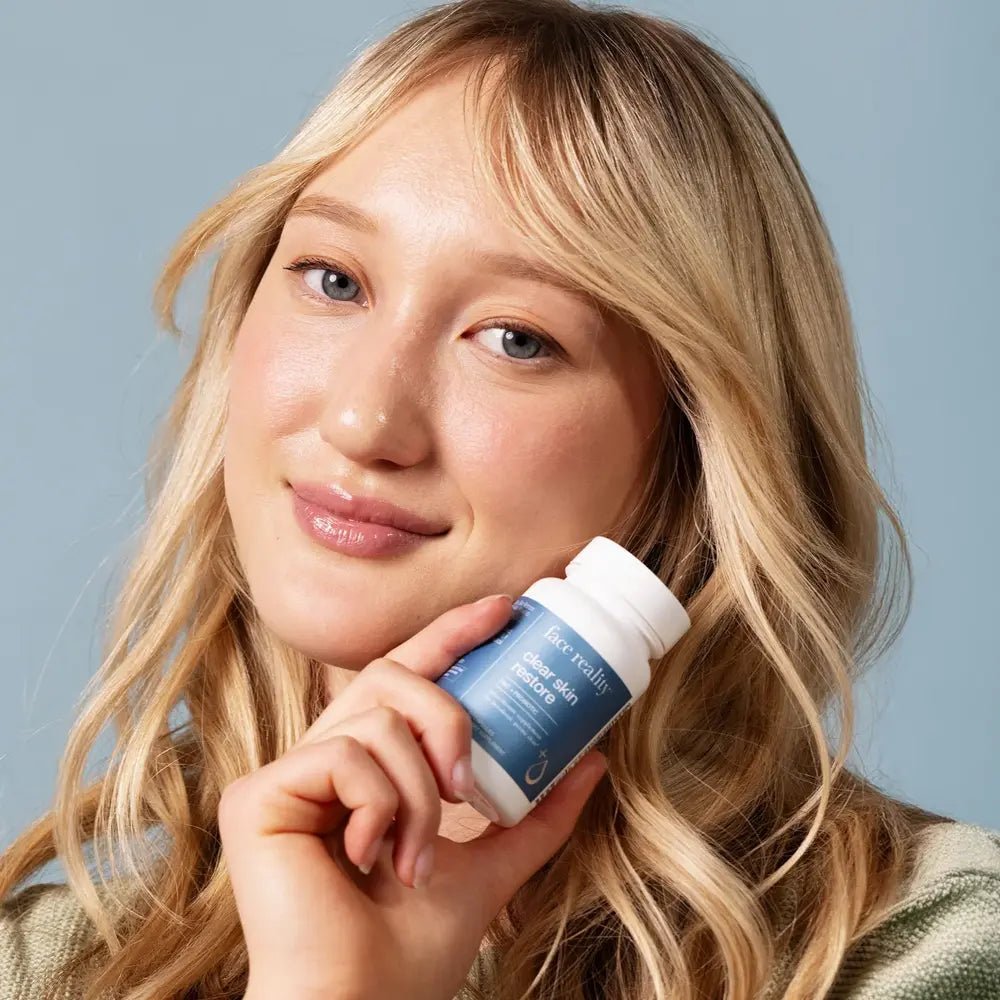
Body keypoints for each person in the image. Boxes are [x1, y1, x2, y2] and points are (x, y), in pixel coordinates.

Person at [2, 0, 998, 997]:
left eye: (517, 338)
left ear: (694, 452)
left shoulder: (929, 952)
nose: (362, 421)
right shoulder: (40, 965)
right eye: (334, 280)